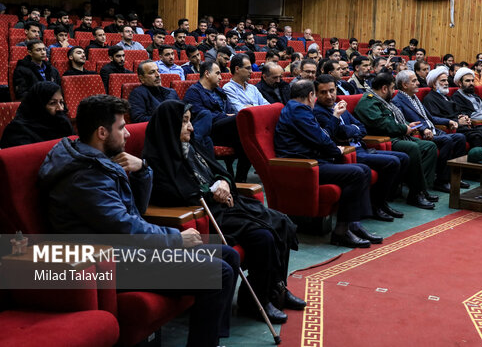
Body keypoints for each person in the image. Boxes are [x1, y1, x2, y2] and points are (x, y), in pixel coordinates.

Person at [38, 95, 238, 347]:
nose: (128, 135)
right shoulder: (85, 176)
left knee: (228, 255)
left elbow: (137, 209)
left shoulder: (96, 161)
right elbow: (123, 226)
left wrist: (142, 169)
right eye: (121, 128)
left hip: (126, 249)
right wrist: (176, 239)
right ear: (102, 132)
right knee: (219, 271)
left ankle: (212, 339)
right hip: (108, 262)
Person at [143, 100, 305, 324]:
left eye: (190, 122)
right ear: (170, 126)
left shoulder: (193, 145)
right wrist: (212, 192)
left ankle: (277, 288)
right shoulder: (156, 159)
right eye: (185, 123)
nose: (191, 128)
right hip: (207, 215)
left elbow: (221, 171)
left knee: (281, 221)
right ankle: (256, 300)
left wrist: (224, 183)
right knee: (264, 235)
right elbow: (174, 194)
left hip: (226, 206)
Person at [275, 80, 380, 248]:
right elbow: (323, 139)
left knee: (363, 170)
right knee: (357, 173)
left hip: (312, 161)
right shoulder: (299, 110)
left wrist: (333, 130)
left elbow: (322, 136)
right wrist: (335, 150)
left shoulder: (296, 109)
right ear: (311, 95)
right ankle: (341, 231)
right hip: (303, 167)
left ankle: (353, 224)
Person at [313, 74, 408, 222]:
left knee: (403, 157)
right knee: (393, 162)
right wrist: (350, 130)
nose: (329, 95)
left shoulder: (339, 104)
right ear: (316, 94)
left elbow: (361, 128)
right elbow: (337, 133)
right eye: (323, 92)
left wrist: (350, 131)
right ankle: (376, 205)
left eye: (332, 91)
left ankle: (382, 202)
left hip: (360, 147)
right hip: (348, 153)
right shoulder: (319, 112)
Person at [355, 73, 438, 209]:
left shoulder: (384, 101)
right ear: (384, 88)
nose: (394, 92)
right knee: (412, 147)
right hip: (385, 139)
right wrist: (404, 128)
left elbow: (395, 119)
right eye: (392, 88)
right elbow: (383, 124)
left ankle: (421, 189)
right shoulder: (368, 102)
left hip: (397, 134)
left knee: (430, 147)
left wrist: (408, 125)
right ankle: (415, 194)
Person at [392, 70, 468, 192]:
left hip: (434, 130)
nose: (418, 83)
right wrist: (422, 129)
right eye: (414, 81)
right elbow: (403, 121)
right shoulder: (397, 101)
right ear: (404, 85)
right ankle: (441, 181)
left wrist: (447, 121)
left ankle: (455, 177)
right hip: (421, 135)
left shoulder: (414, 98)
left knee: (460, 138)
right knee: (447, 140)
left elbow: (430, 118)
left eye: (417, 80)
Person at [183, 60, 252, 182]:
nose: (221, 77)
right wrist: (226, 116)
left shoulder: (220, 92)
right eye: (218, 73)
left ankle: (240, 182)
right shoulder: (194, 91)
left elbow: (230, 110)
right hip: (210, 130)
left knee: (247, 143)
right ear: (207, 74)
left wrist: (227, 116)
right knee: (240, 118)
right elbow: (202, 116)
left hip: (227, 130)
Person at [422, 67, 482, 149]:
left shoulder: (447, 97)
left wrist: (463, 117)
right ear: (434, 84)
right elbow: (436, 118)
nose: (447, 83)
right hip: (450, 129)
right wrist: (457, 121)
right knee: (477, 136)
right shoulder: (429, 99)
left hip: (461, 127)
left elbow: (456, 112)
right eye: (443, 81)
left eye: (447, 80)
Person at [1, 82, 73, 148]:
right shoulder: (17, 131)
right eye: (52, 103)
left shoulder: (61, 123)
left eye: (61, 102)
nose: (60, 108)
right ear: (38, 106)